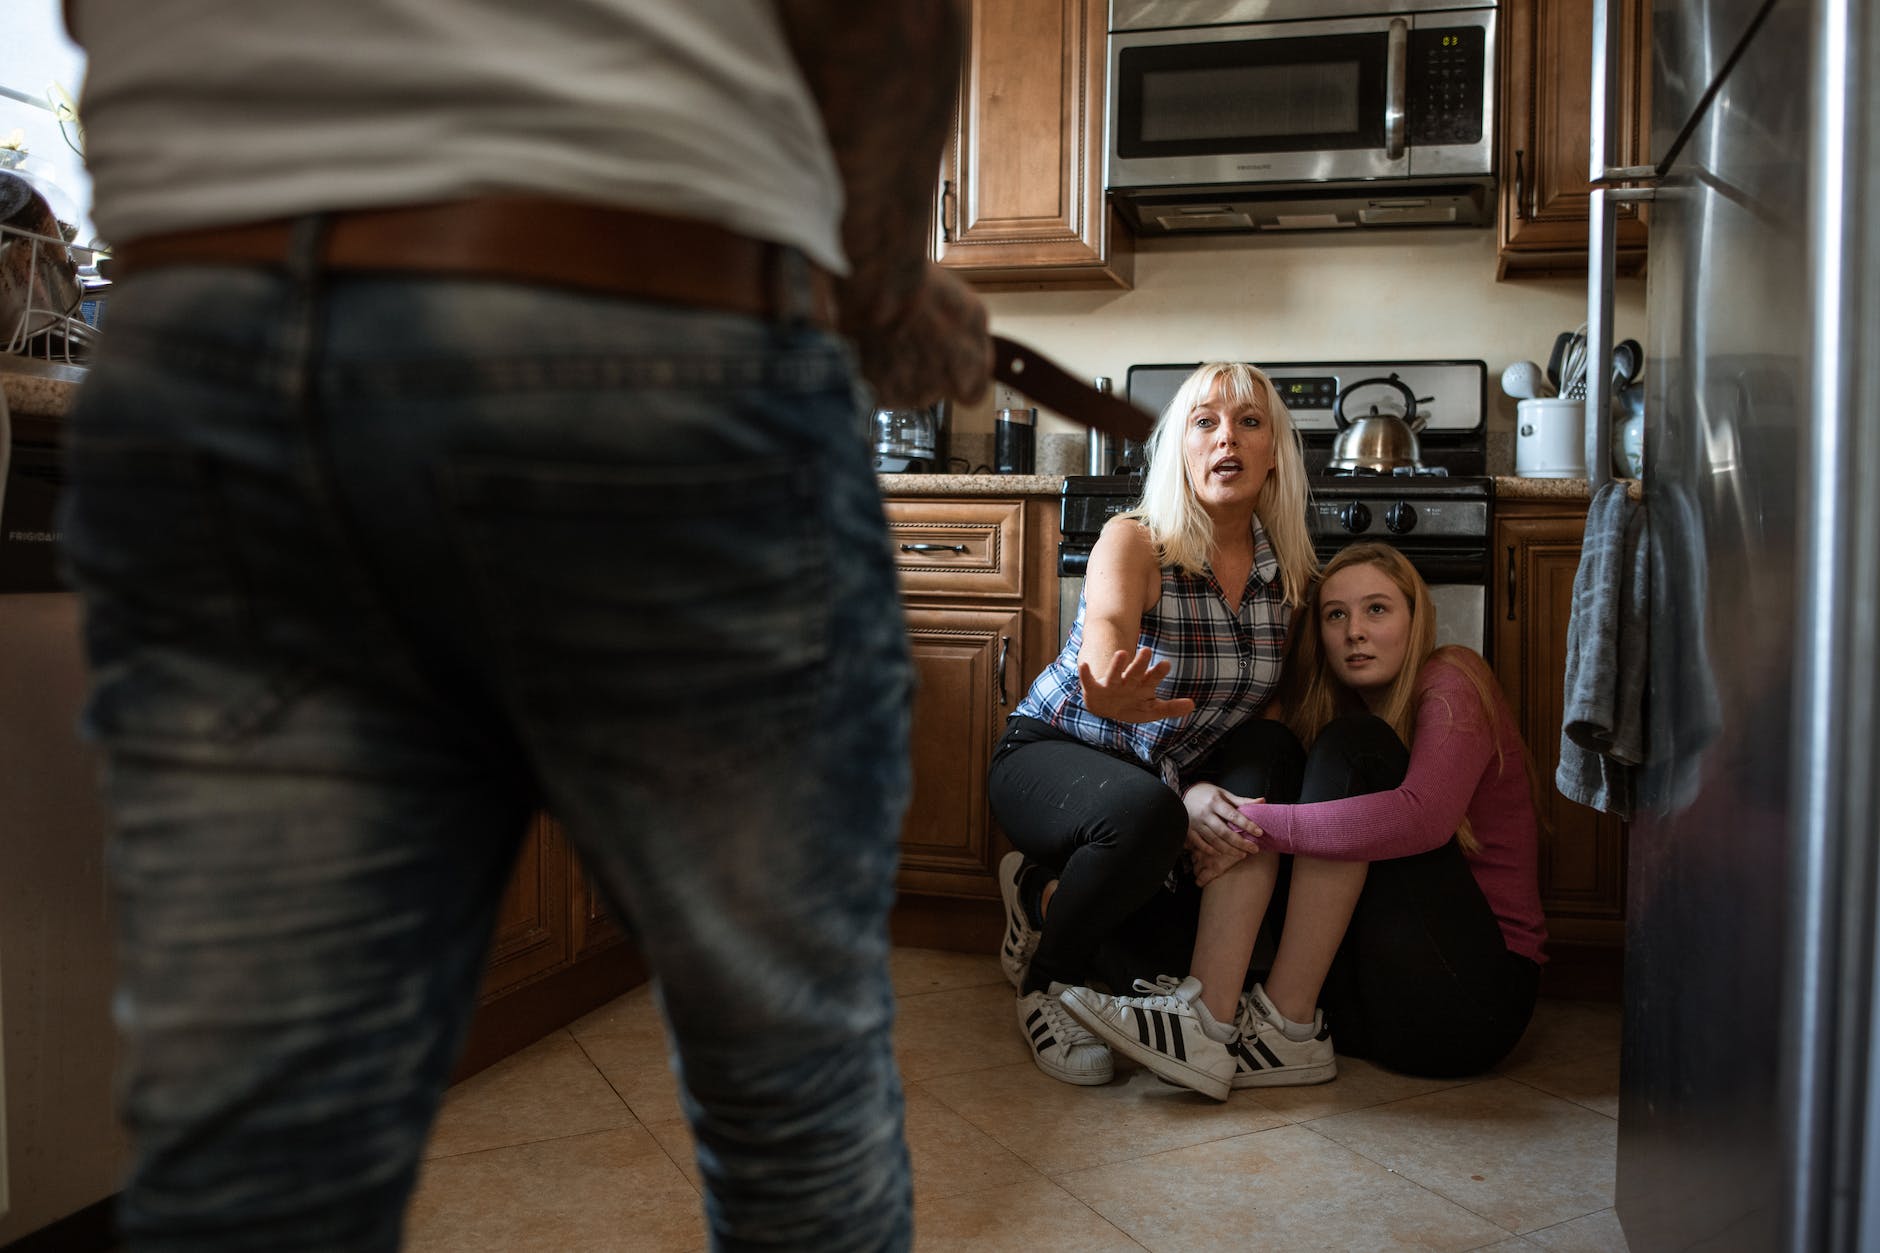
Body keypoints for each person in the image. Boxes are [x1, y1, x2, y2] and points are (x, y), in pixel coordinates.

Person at [59, 3, 989, 1249]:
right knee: (792, 1084)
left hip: (198, 324)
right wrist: (875, 294)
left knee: (260, 1153)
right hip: (645, 307)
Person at [1059, 542, 1547, 1100]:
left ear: (1418, 618)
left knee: (1357, 749)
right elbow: (1251, 771)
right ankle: (1209, 1020)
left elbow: (1424, 819)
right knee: (1266, 746)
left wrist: (1247, 826)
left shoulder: (1452, 676)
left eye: (1377, 609)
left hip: (1472, 1001)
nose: (1354, 631)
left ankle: (1274, 1024)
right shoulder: (1336, 710)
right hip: (1367, 1008)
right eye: (1335, 615)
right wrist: (1196, 796)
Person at [986, 361, 1318, 1087]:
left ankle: (1041, 895)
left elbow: (1253, 713)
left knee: (1269, 749)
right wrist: (1111, 693)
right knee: (1146, 812)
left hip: (1164, 791)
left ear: (1272, 455)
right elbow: (1104, 642)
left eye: (1249, 422)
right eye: (1205, 422)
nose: (1226, 436)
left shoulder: (1282, 578)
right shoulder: (1135, 541)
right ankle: (1045, 985)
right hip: (1053, 756)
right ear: (1181, 446)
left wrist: (1206, 795)